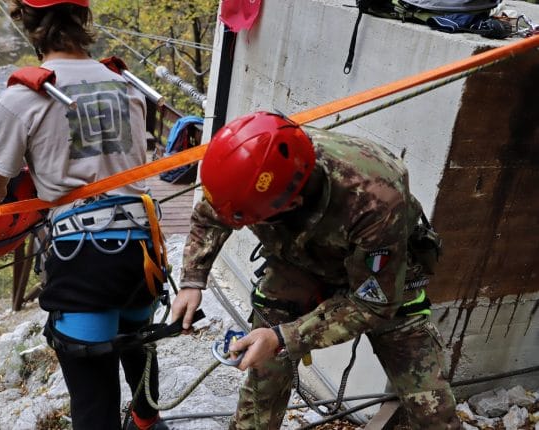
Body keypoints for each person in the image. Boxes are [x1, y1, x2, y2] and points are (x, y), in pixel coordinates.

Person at [0, 1, 168, 429]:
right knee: (139, 345)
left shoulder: (22, 97)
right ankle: (147, 423)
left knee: (92, 397)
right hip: (142, 247)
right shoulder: (127, 84)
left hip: (83, 256)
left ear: (29, 24)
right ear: (82, 20)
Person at [171, 111, 459, 429]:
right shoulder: (253, 172)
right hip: (298, 264)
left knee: (432, 410)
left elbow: (374, 302)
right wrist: (192, 280)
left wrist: (284, 337)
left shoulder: (375, 199)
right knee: (264, 376)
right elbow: (212, 214)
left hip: (384, 280)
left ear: (290, 205)